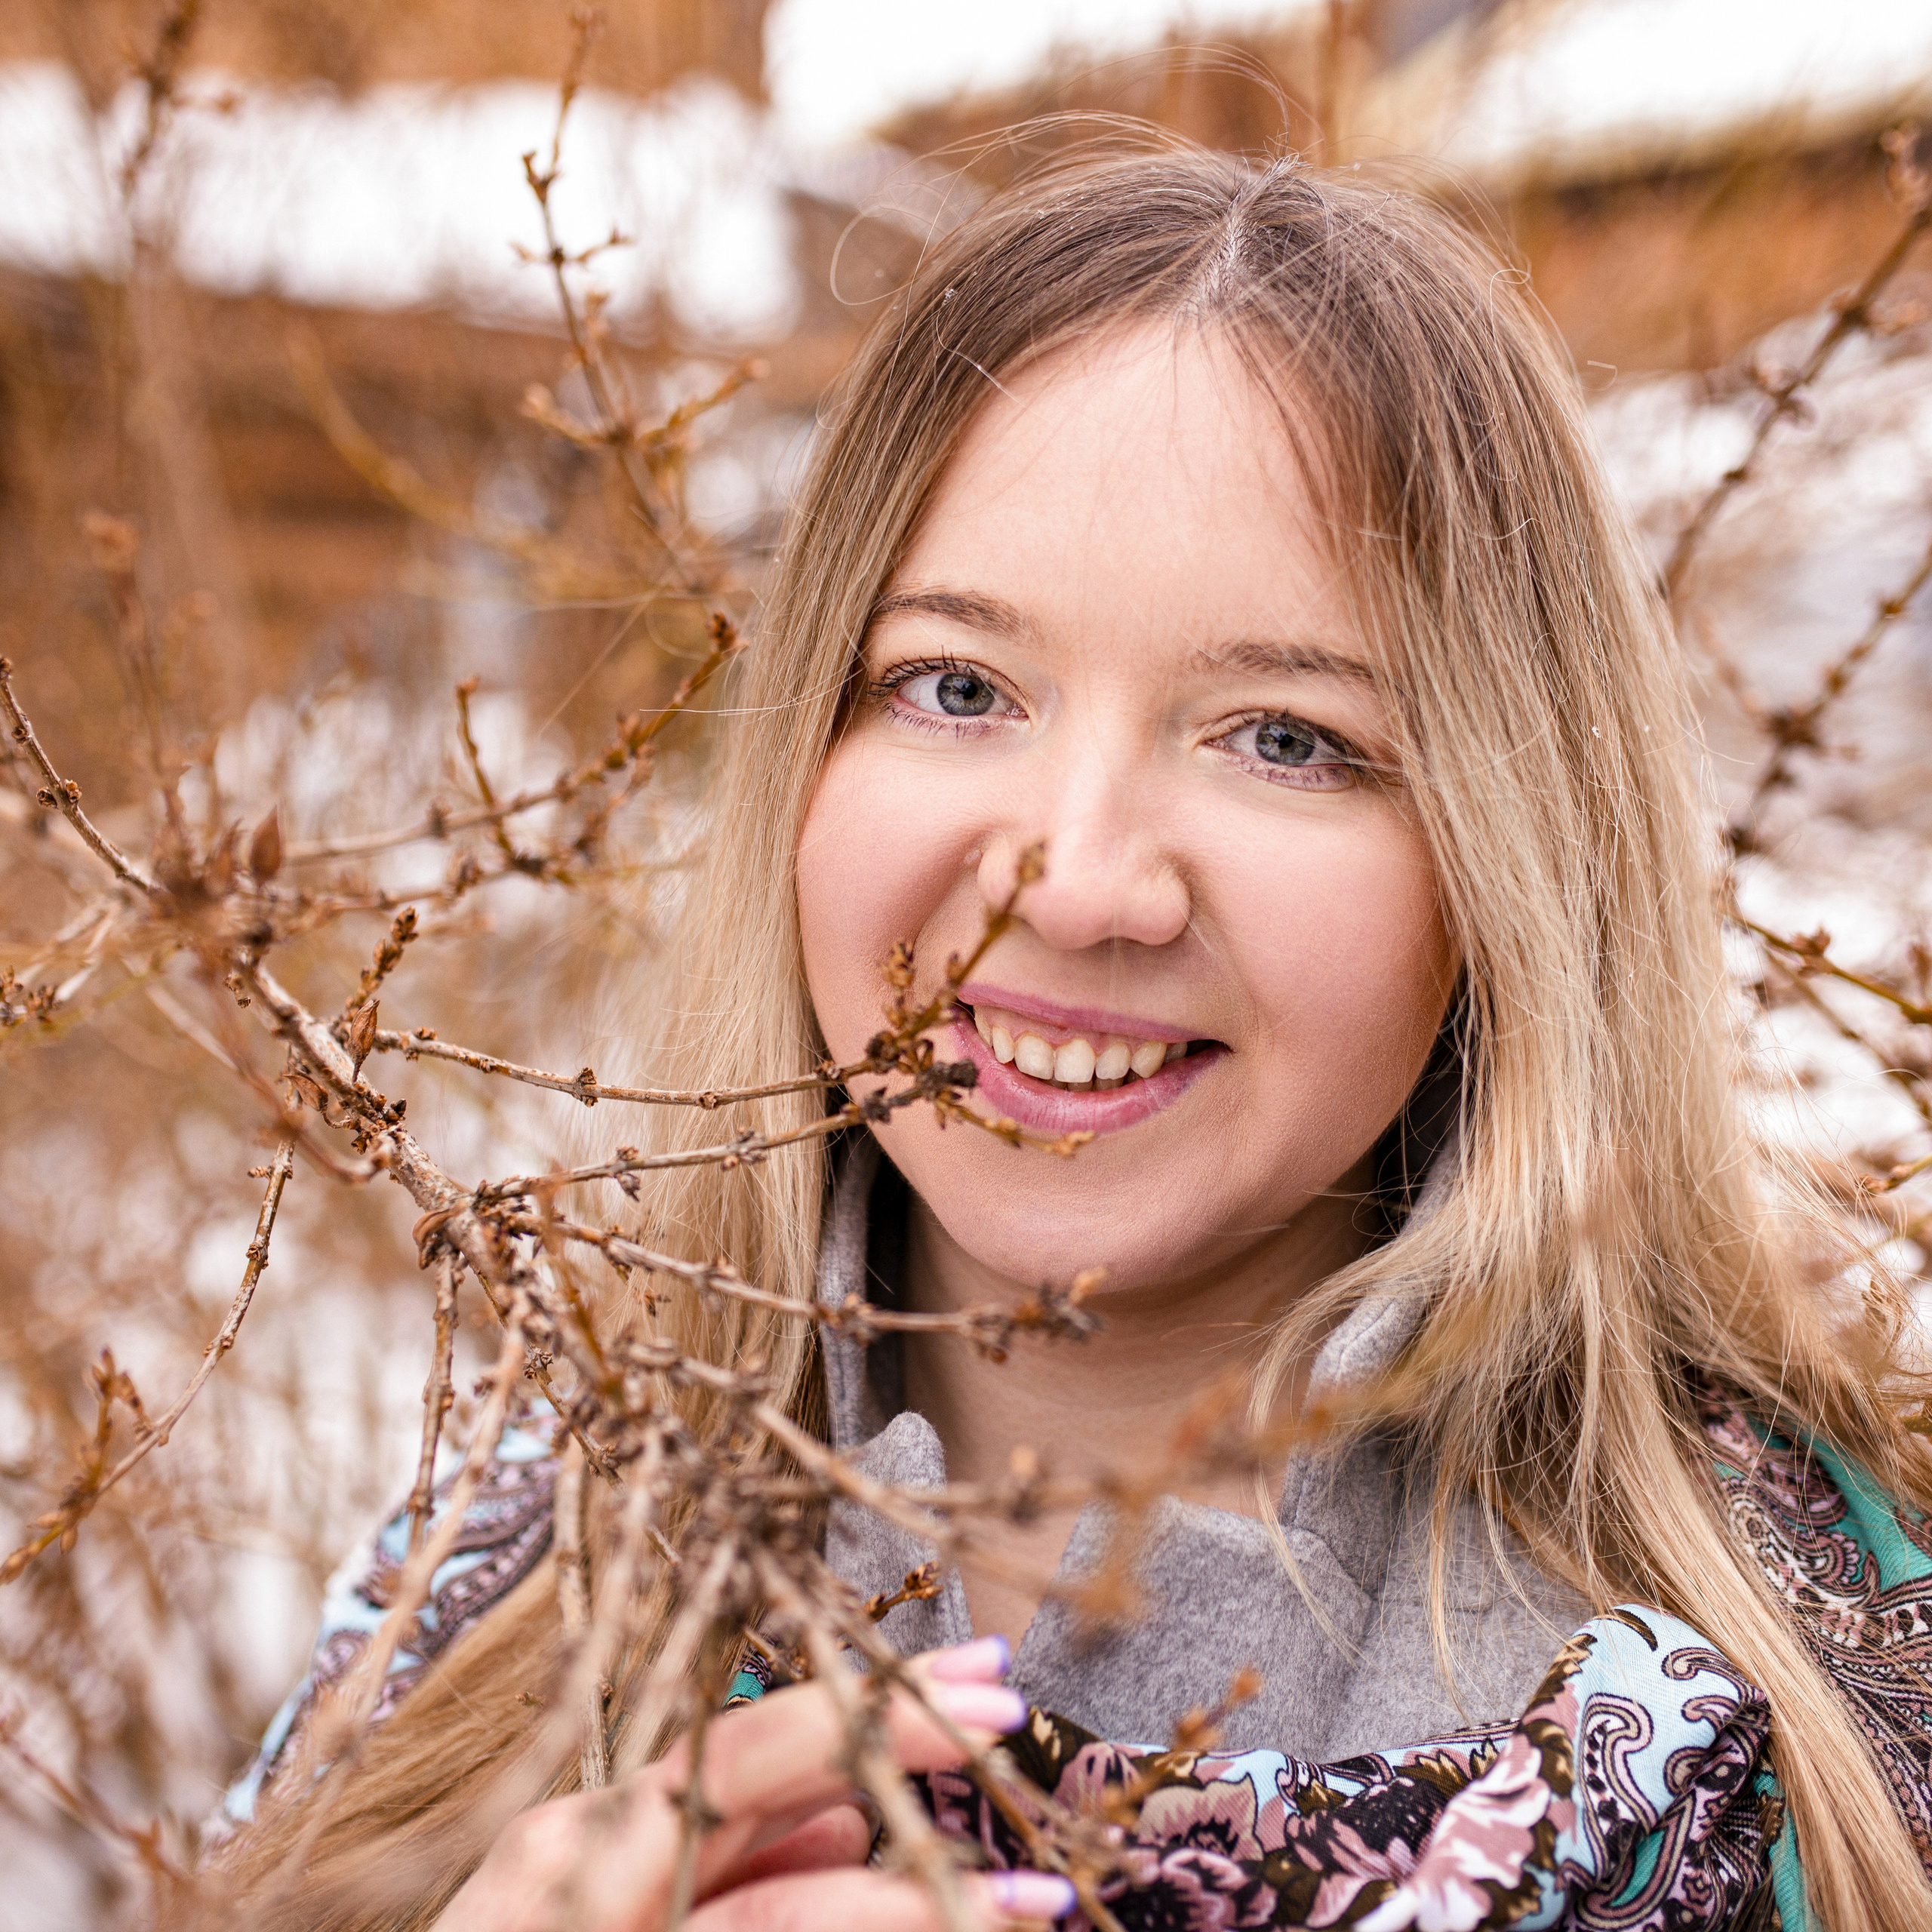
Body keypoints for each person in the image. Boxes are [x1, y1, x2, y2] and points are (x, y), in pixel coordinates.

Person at [211, 145, 1932, 1931]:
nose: (1082, 879)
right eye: (956, 687)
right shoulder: (481, 1621)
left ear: (1508, 857)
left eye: (1283, 736)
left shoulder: (1818, 1743)